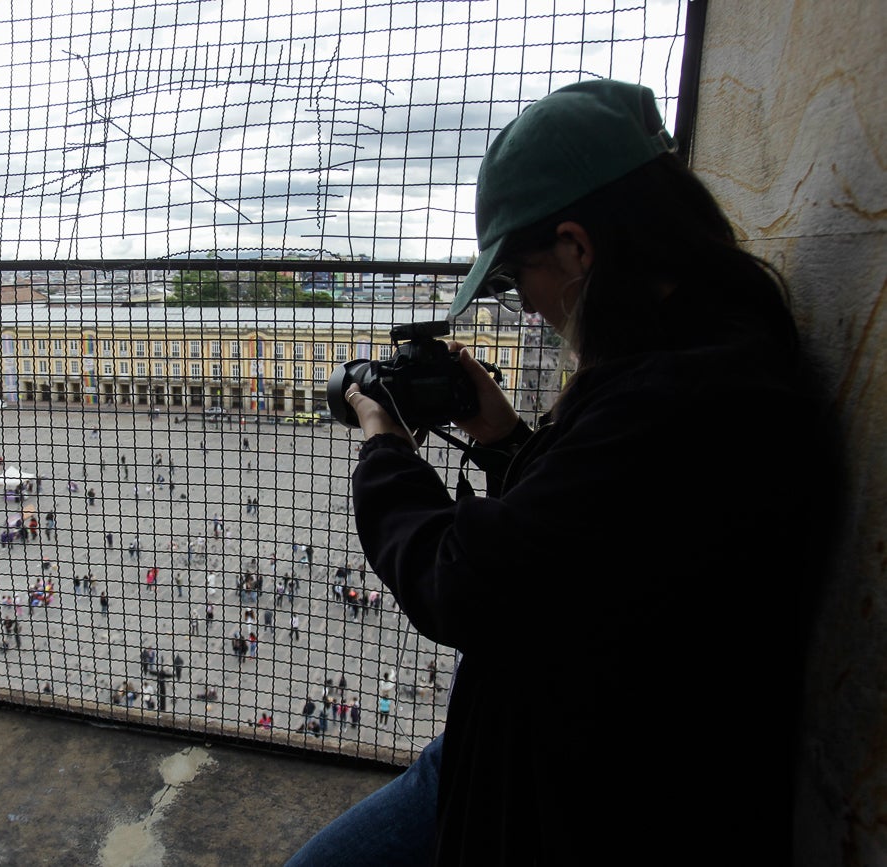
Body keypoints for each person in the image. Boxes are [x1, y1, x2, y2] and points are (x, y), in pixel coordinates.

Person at [288, 79, 825, 866]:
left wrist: (384, 448)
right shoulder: (709, 358)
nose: (529, 307)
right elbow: (589, 532)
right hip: (544, 747)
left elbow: (461, 582)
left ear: (577, 248)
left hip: (572, 794)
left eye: (514, 278)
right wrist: (504, 439)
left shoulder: (675, 401)